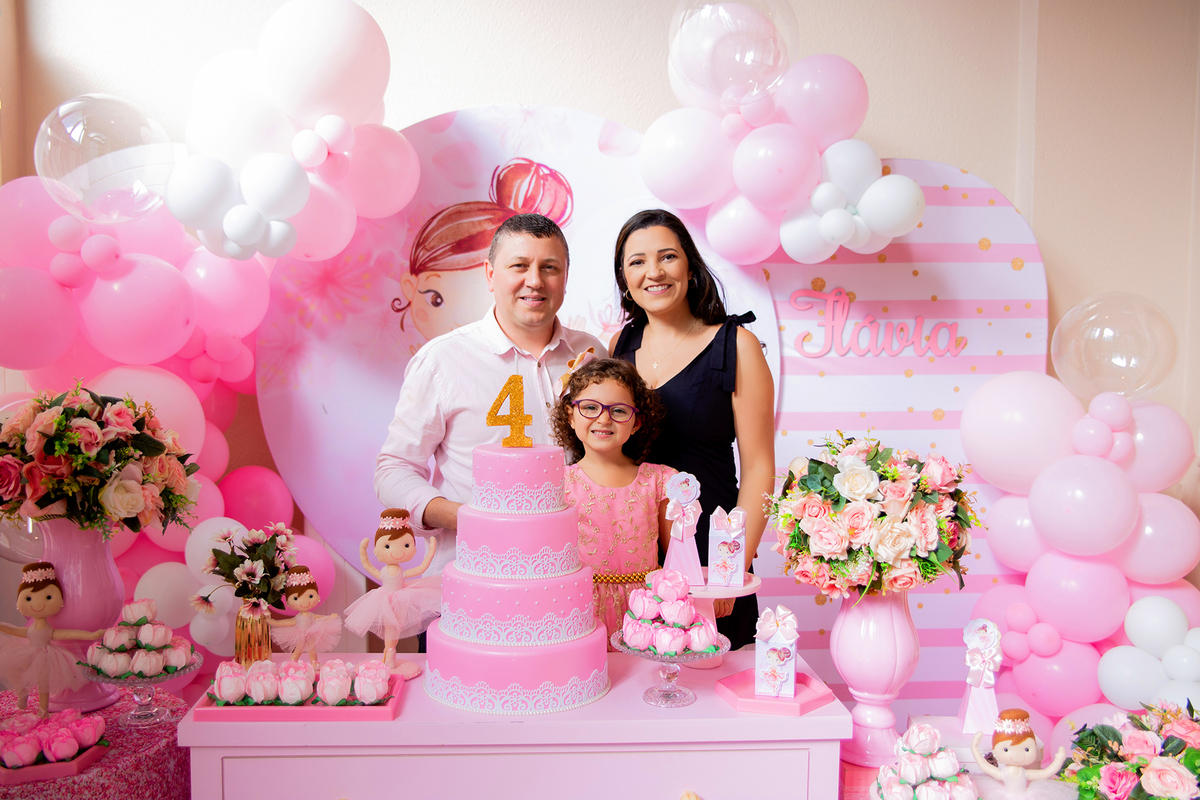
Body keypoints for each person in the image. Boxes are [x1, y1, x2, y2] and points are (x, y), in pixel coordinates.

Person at [375, 213, 606, 594]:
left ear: (565, 277)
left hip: (572, 583)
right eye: (519, 265)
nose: (535, 280)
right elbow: (394, 469)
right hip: (472, 583)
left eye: (550, 267)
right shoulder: (443, 361)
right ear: (489, 274)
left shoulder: (593, 353)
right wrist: (461, 516)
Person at [609, 209, 775, 650]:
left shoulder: (736, 344)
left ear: (690, 266)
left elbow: (759, 467)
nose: (654, 272)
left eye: (667, 257)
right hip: (636, 549)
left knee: (713, 677)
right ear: (624, 278)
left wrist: (731, 566)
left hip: (707, 545)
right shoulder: (620, 347)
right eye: (637, 262)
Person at [552, 356, 673, 649]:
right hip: (578, 611)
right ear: (570, 416)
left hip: (645, 613)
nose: (603, 419)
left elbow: (676, 558)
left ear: (636, 422)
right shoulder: (558, 484)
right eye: (590, 408)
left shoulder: (659, 481)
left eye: (618, 410)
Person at [343, 509, 440, 678]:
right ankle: (389, 653)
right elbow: (368, 566)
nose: (397, 552)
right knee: (390, 628)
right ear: (378, 549)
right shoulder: (385, 571)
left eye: (407, 545)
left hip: (404, 597)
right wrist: (363, 550)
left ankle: (390, 652)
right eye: (387, 546)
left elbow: (421, 568)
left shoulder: (401, 571)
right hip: (385, 599)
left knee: (396, 627)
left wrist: (431, 550)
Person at [0, 562, 105, 716]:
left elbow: (67, 634)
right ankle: (22, 693)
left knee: (44, 685)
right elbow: (15, 630)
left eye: (48, 597)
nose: (37, 604)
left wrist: (90, 635)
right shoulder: (30, 629)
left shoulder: (48, 630)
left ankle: (43, 711)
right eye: (28, 599)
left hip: (46, 657)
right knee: (11, 668)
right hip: (28, 653)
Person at [971, 709, 1073, 799]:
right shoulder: (1005, 773)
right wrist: (974, 747)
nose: (1016, 755)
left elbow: (1045, 773)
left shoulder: (1024, 772)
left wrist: (1059, 759)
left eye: (1026, 749)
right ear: (994, 750)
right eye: (1006, 750)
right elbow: (986, 767)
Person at [268, 566, 343, 666]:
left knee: (312, 648)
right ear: (288, 601)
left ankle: (314, 661)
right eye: (295, 598)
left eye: (311, 596)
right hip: (300, 634)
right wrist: (273, 622)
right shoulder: (298, 617)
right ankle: (293, 661)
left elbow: (319, 618)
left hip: (312, 633)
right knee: (299, 648)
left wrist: (330, 617)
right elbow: (286, 623)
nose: (304, 602)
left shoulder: (310, 615)